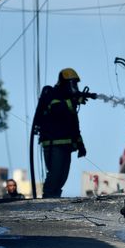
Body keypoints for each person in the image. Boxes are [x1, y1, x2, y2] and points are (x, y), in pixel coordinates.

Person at [32, 68, 88, 198]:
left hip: (66, 145)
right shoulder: (51, 93)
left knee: (62, 177)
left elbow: (75, 125)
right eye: (72, 83)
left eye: (76, 83)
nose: (75, 86)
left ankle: (54, 200)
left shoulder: (70, 100)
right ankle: (47, 199)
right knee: (55, 174)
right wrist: (73, 101)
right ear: (65, 82)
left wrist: (81, 145)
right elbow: (57, 109)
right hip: (53, 142)